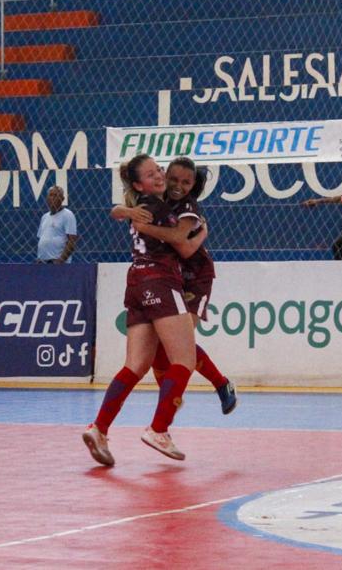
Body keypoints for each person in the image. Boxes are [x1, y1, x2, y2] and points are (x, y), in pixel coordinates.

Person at [82, 154, 208, 466]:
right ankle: (159, 429)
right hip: (159, 280)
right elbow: (182, 242)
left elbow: (116, 210)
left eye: (159, 170)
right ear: (139, 184)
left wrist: (125, 211)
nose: (160, 176)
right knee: (184, 359)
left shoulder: (143, 204)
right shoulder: (158, 208)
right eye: (152, 174)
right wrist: (201, 233)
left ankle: (99, 428)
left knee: (135, 364)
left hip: (136, 280)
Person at [112, 157, 237, 414]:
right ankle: (168, 398)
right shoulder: (156, 198)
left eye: (186, 182)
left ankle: (222, 385)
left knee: (179, 341)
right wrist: (128, 211)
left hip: (195, 274)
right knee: (162, 344)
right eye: (174, 179)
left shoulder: (188, 206)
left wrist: (200, 233)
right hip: (171, 274)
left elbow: (184, 246)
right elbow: (116, 210)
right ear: (164, 175)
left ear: (192, 186)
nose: (178, 185)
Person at [36, 186, 78, 263]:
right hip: (42, 263)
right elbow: (42, 239)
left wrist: (61, 260)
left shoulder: (68, 215)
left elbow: (72, 241)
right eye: (50, 195)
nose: (52, 198)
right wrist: (39, 258)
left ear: (62, 199)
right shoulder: (44, 217)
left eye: (55, 195)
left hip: (58, 264)